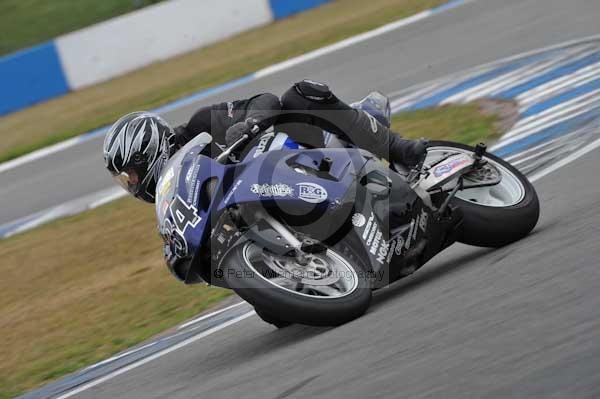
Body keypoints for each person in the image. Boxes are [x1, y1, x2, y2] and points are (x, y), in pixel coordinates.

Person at [103, 80, 427, 203]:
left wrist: (249, 124)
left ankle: (401, 149)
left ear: (149, 153)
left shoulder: (202, 126)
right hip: (284, 202)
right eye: (124, 181)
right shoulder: (175, 196)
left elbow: (266, 99)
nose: (131, 185)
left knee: (299, 95)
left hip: (308, 154)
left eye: (130, 174)